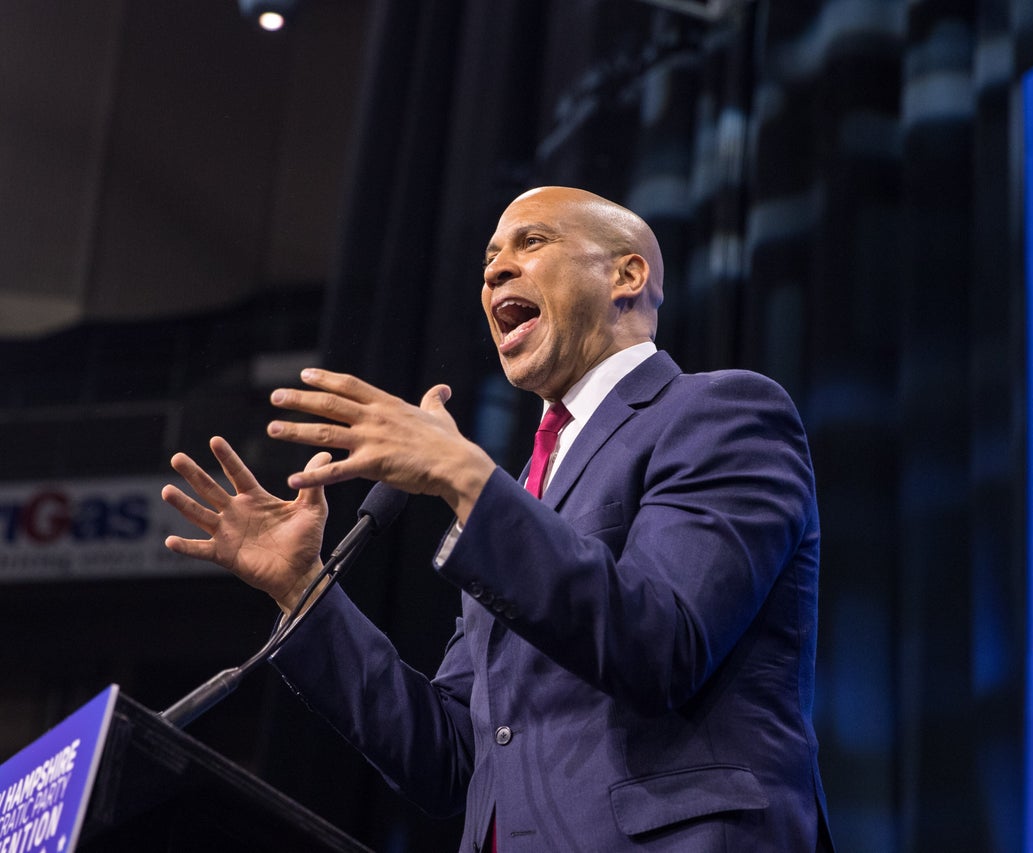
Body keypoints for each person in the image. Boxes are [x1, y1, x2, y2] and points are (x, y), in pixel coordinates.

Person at [162, 186, 833, 852]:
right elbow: (452, 757)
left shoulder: (721, 413)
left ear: (627, 274)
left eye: (531, 242)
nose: (494, 270)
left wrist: (463, 474)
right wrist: (301, 587)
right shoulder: (519, 497)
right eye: (488, 258)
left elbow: (661, 644)